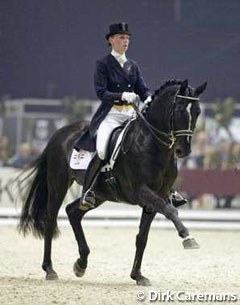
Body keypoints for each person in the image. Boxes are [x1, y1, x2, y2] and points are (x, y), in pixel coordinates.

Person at [79, 22, 186, 210]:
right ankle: (88, 191)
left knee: (156, 143)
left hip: (131, 115)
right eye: (121, 37)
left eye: (127, 38)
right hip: (111, 115)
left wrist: (151, 100)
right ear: (111, 40)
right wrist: (121, 96)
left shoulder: (132, 66)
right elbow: (101, 93)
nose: (125, 41)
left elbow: (143, 89)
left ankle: (168, 191)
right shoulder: (103, 64)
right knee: (103, 149)